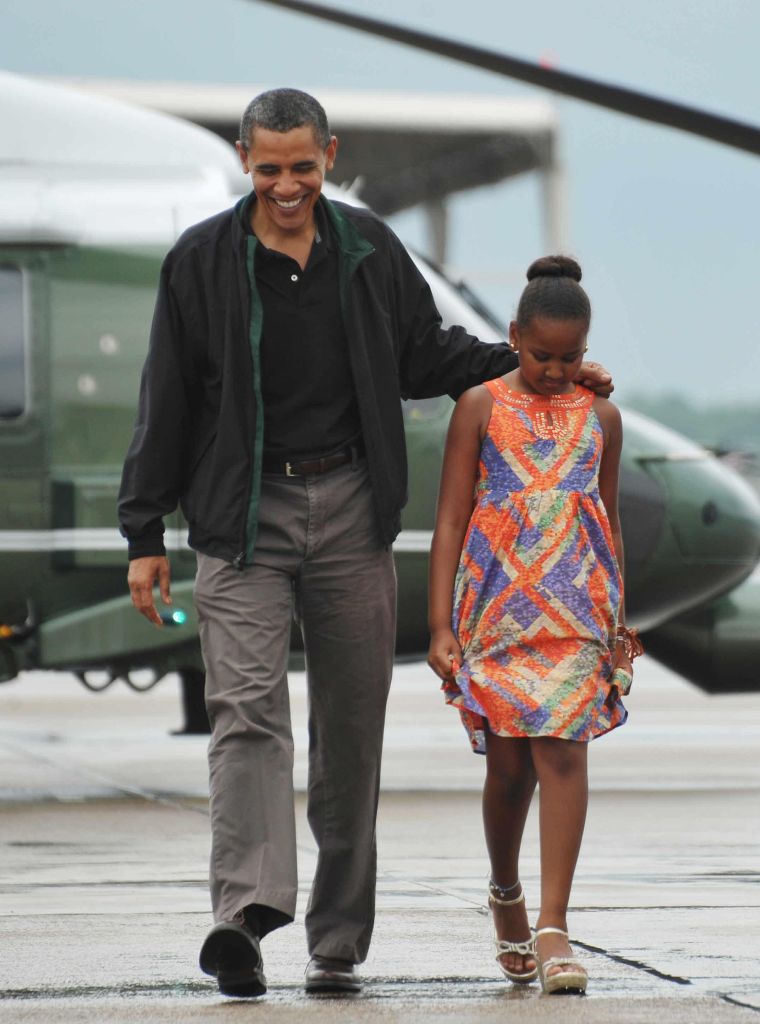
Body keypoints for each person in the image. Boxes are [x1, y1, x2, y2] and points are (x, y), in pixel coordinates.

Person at [118, 89, 613, 999]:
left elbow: (426, 353)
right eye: (270, 168)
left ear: (330, 157)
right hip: (240, 514)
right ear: (244, 160)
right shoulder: (200, 260)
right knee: (246, 714)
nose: (287, 186)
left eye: (303, 167)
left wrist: (539, 370)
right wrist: (143, 529)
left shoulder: (370, 250)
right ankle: (246, 915)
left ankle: (337, 940)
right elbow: (168, 396)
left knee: (351, 730)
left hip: (349, 505)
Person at [427, 255, 641, 995]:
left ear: (588, 349)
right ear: (514, 336)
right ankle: (505, 891)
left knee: (564, 755)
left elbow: (607, 521)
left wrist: (617, 621)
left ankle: (554, 926)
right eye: (542, 355)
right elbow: (450, 517)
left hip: (578, 610)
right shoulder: (478, 407)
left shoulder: (603, 418)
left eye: (570, 357)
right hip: (496, 610)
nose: (555, 371)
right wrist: (440, 624)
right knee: (509, 770)